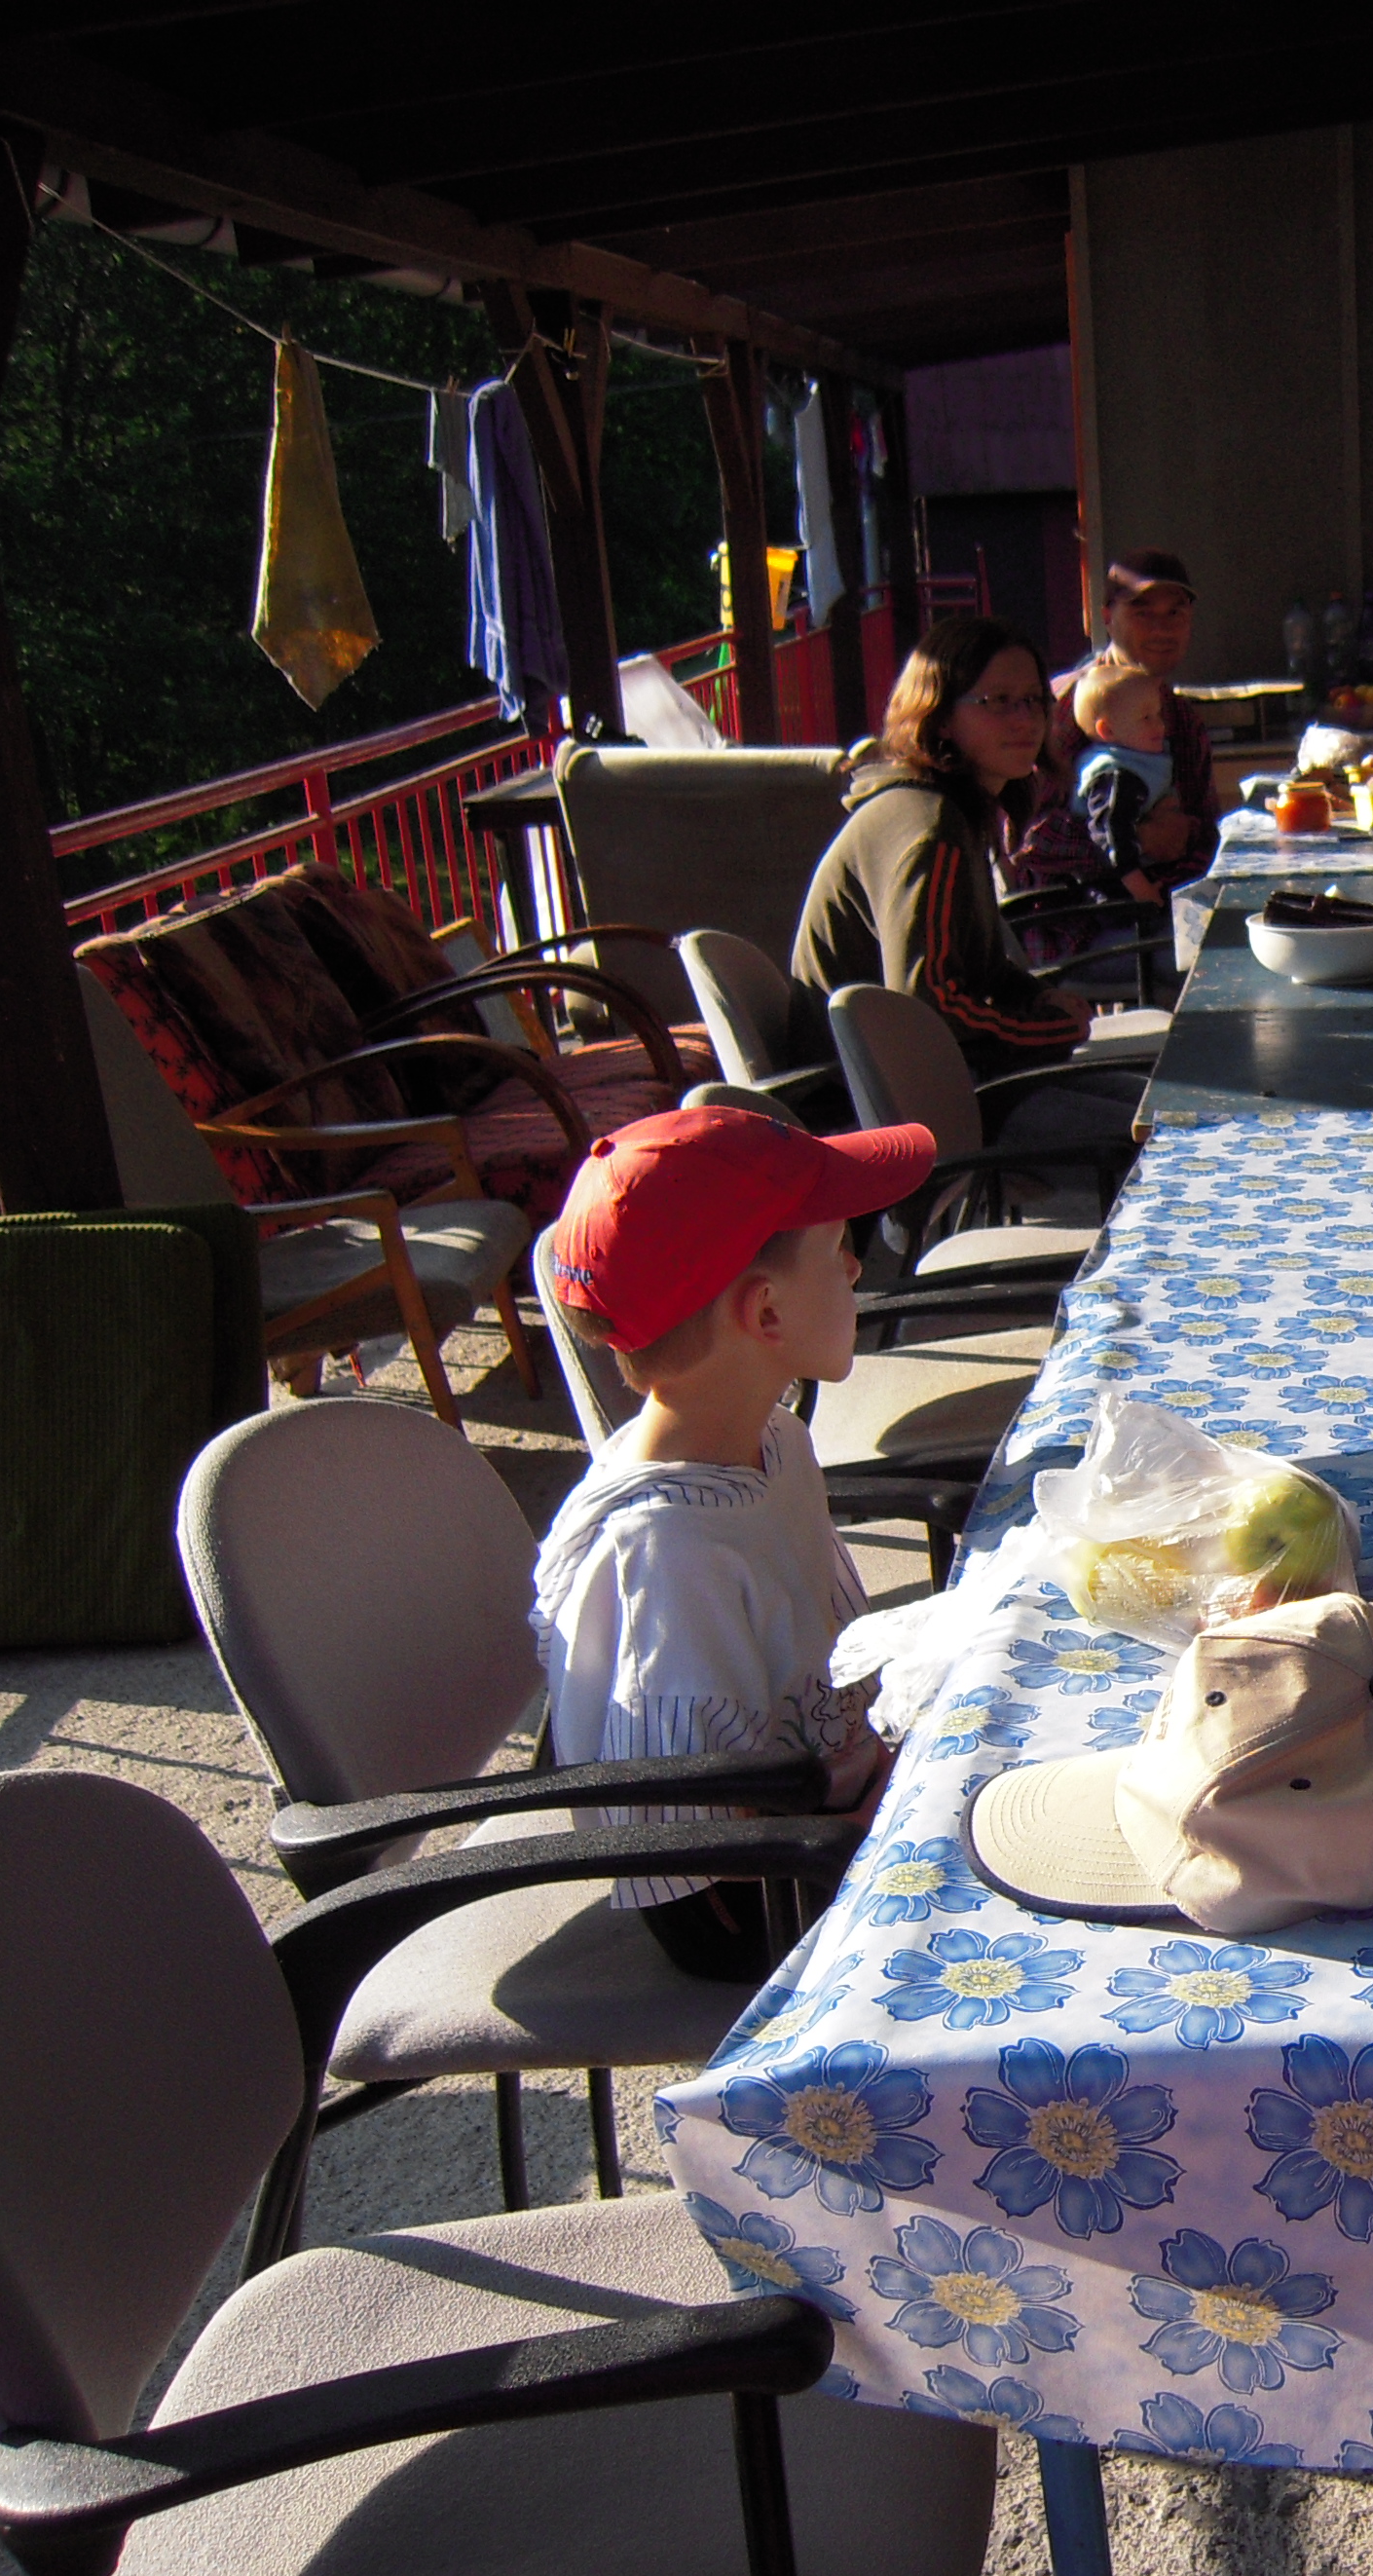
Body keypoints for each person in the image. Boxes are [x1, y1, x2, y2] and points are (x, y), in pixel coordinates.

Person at [532, 1105, 932, 1980]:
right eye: (840, 1251)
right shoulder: (662, 1557)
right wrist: (871, 1833)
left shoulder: (776, 1439)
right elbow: (691, 1871)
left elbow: (832, 1663)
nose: (856, 1268)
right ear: (767, 1314)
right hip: (766, 1908)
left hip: (846, 1804)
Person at [792, 613, 1094, 1072]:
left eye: (1035, 699)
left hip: (921, 1081)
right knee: (1148, 1110)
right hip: (870, 1099)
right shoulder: (931, 831)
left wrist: (1039, 998)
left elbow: (982, 970)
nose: (1026, 719)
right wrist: (1054, 1030)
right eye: (999, 701)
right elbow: (930, 1009)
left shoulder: (956, 810)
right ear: (941, 716)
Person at [1030, 549, 1222, 905]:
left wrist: (1186, 832)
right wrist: (1135, 841)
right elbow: (1026, 836)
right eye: (1142, 612)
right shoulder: (1070, 705)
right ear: (1107, 617)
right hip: (1078, 917)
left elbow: (1207, 827)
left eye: (1175, 613)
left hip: (1169, 907)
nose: (1161, 628)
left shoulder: (1182, 718)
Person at [1068, 651, 1177, 902]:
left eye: (1158, 715)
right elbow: (1112, 838)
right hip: (1115, 892)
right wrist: (1141, 891)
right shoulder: (1116, 775)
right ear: (1107, 730)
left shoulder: (1139, 760)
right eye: (1146, 718)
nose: (1159, 725)